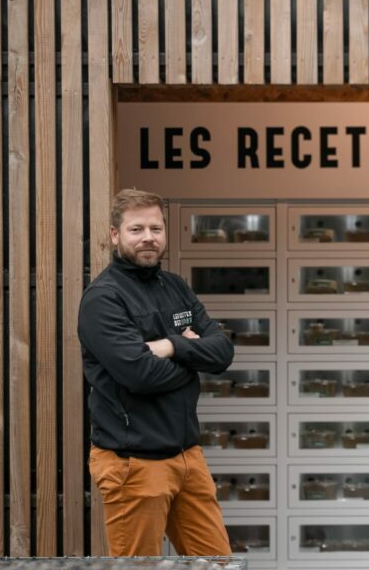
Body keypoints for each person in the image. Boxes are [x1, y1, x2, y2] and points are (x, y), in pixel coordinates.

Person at [79, 189, 234, 556]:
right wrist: (194, 360)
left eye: (155, 228)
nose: (148, 237)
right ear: (115, 234)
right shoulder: (104, 298)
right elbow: (141, 376)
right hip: (134, 464)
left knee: (217, 564)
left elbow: (223, 351)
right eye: (136, 229)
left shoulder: (176, 287)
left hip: (187, 458)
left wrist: (171, 347)